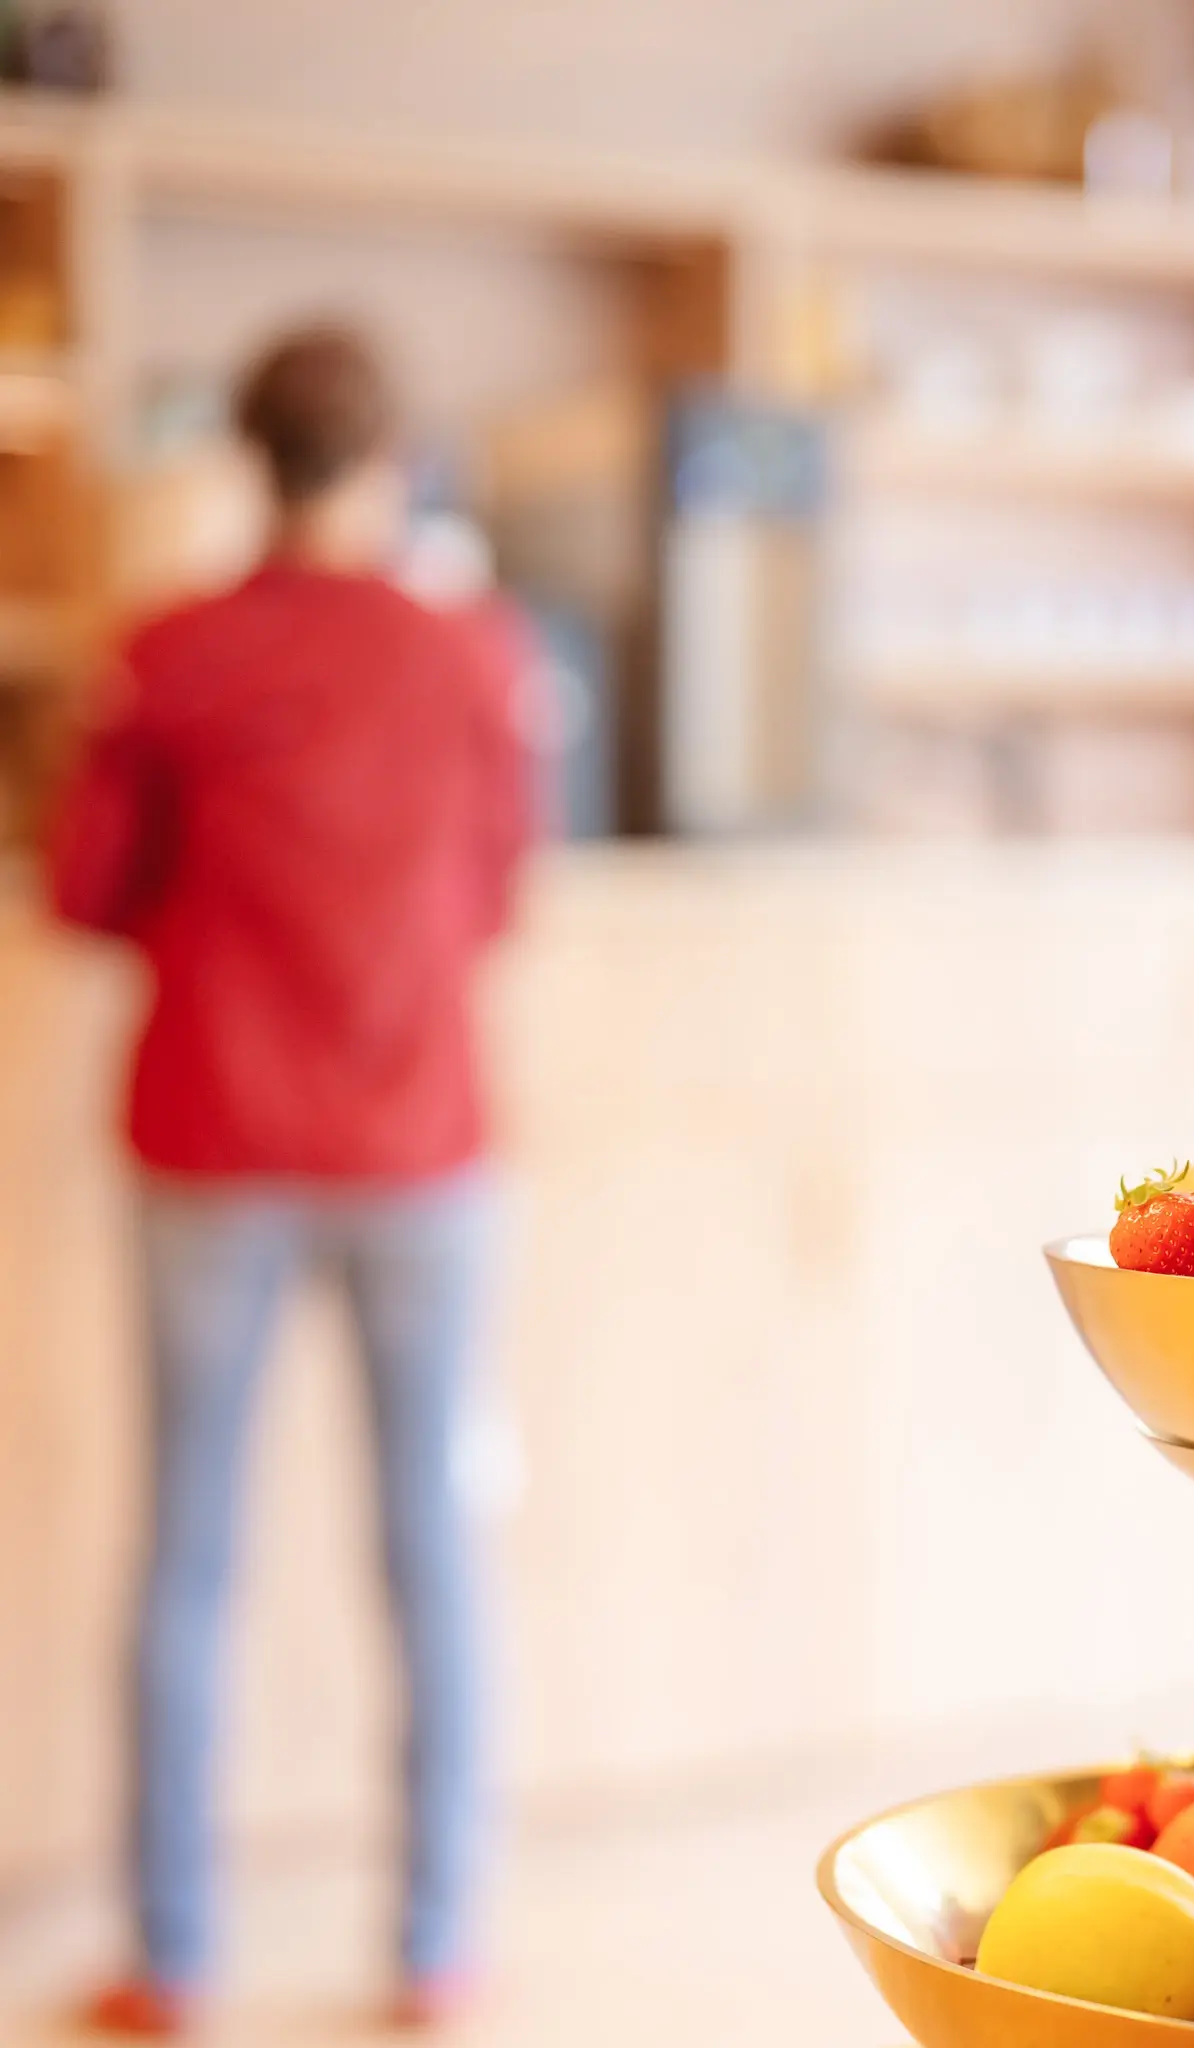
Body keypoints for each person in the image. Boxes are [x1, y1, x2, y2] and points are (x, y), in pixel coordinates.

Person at [43, 326, 531, 2036]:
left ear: (251, 459)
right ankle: (435, 1943)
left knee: (186, 1553)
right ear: (390, 460)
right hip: (421, 1150)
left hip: (210, 1145)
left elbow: (85, 892)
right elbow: (495, 894)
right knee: (434, 1552)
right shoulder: (472, 652)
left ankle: (170, 1957)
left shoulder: (167, 655)